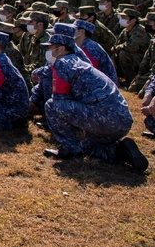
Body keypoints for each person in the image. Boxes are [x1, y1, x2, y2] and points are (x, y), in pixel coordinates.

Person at [41, 31, 147, 172]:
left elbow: (60, 101)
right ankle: (120, 151)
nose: (48, 52)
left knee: (52, 105)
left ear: (60, 49)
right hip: (121, 121)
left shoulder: (63, 63)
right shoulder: (79, 62)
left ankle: (69, 148)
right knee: (88, 147)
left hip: (103, 117)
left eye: (50, 48)